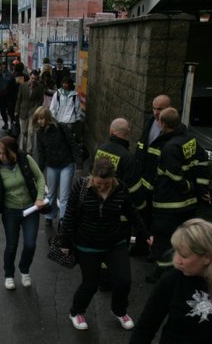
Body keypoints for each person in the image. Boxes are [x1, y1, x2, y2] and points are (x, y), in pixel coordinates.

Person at [59, 157, 152, 331]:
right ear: (92, 176)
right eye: (98, 183)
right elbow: (70, 214)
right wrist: (65, 242)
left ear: (113, 179)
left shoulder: (120, 188)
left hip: (115, 243)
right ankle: (76, 312)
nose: (102, 187)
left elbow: (132, 212)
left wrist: (145, 233)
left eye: (106, 184)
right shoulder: (81, 187)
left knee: (123, 280)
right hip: (87, 245)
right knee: (91, 284)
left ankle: (119, 310)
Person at [146, 107, 211, 283]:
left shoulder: (170, 147)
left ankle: (162, 274)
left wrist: (188, 186)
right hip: (188, 204)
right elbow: (203, 161)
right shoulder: (191, 140)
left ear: (162, 124)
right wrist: (201, 189)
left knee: (163, 240)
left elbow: (174, 176)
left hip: (168, 204)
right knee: (184, 238)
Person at [0, 136, 47, 290]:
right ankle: (9, 275)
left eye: (3, 153)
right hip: (10, 212)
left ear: (12, 152)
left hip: (30, 209)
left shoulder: (25, 160)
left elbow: (40, 178)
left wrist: (40, 198)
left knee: (30, 244)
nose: (0, 156)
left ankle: (24, 270)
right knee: (11, 246)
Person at [93, 118, 144, 291]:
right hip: (120, 215)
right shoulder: (128, 157)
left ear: (110, 131)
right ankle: (114, 279)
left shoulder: (100, 151)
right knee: (117, 249)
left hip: (99, 209)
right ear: (127, 133)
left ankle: (102, 280)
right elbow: (134, 189)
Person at [134, 94, 172, 258]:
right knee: (142, 215)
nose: (156, 112)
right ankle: (140, 247)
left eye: (160, 109)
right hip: (145, 179)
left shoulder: (174, 128)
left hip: (159, 183)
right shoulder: (149, 122)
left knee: (157, 221)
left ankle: (155, 252)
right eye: (154, 108)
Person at [33, 106, 82, 227]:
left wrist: (79, 163)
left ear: (48, 118)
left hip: (66, 164)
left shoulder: (61, 128)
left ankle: (63, 221)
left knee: (64, 196)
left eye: (41, 118)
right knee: (51, 194)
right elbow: (41, 153)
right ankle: (50, 216)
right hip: (52, 166)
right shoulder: (39, 133)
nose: (39, 121)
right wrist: (39, 170)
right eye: (37, 119)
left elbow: (72, 144)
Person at [50, 76, 84, 152]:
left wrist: (78, 119)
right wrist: (53, 118)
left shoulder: (74, 95)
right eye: (64, 83)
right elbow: (53, 107)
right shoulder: (57, 94)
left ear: (70, 84)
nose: (65, 85)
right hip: (59, 120)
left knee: (68, 139)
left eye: (67, 83)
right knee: (60, 138)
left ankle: (66, 152)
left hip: (70, 121)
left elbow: (77, 108)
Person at [14, 69, 44, 154]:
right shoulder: (23, 86)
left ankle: (28, 150)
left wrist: (37, 108)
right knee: (23, 131)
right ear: (29, 77)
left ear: (37, 79)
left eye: (35, 79)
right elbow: (19, 99)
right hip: (23, 110)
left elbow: (40, 99)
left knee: (31, 132)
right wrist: (16, 110)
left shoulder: (39, 87)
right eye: (32, 78)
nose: (33, 80)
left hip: (33, 111)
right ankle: (21, 149)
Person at [0, 62, 12, 130]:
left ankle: (12, 123)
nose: (3, 68)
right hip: (1, 96)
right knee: (2, 111)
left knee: (10, 110)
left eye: (4, 67)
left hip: (8, 95)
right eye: (2, 67)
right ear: (0, 67)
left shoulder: (9, 74)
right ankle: (6, 123)